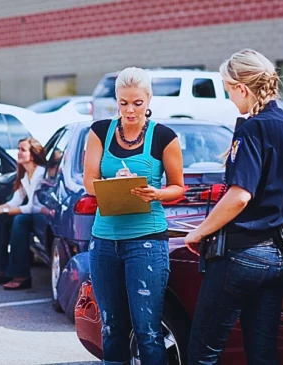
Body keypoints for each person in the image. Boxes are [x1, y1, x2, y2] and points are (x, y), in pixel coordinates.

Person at [184, 49, 283, 365]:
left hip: (242, 255)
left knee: (202, 353)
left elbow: (239, 196)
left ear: (242, 87)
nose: (229, 98)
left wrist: (198, 232)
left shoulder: (252, 128)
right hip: (280, 256)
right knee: (263, 354)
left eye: (227, 89)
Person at [83, 67, 184, 364]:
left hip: (146, 242)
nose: (130, 110)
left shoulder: (164, 136)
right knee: (112, 328)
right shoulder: (100, 131)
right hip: (104, 241)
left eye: (137, 103)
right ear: (116, 99)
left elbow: (178, 187)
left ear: (149, 99)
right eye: (123, 103)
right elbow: (89, 181)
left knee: (147, 330)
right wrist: (112, 186)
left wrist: (156, 193)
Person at [0, 137, 47, 290]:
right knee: (0, 219)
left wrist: (2, 209)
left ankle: (21, 275)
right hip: (34, 212)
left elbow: (33, 207)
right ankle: (0, 270)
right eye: (18, 149)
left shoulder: (40, 173)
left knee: (19, 221)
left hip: (44, 215)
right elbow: (15, 202)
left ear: (33, 154)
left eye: (22, 150)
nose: (18, 153)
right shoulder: (25, 175)